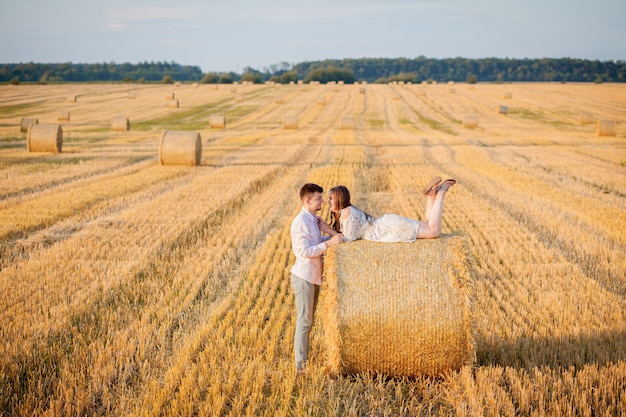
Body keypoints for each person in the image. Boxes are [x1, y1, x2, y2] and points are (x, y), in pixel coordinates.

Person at [290, 183, 343, 375]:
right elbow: (304, 251)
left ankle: (303, 359)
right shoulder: (300, 222)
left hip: (313, 277)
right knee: (304, 320)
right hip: (304, 277)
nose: (322, 201)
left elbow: (315, 243)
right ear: (307, 200)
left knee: (309, 321)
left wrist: (330, 235)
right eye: (319, 198)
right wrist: (329, 242)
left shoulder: (313, 219)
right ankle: (300, 366)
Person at [319, 177, 456, 242]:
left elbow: (348, 239)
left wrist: (327, 230)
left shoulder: (346, 212)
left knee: (434, 231)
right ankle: (431, 197)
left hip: (388, 229)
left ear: (339, 199)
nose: (327, 201)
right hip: (388, 224)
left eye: (331, 198)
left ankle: (441, 192)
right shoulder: (348, 211)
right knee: (428, 225)